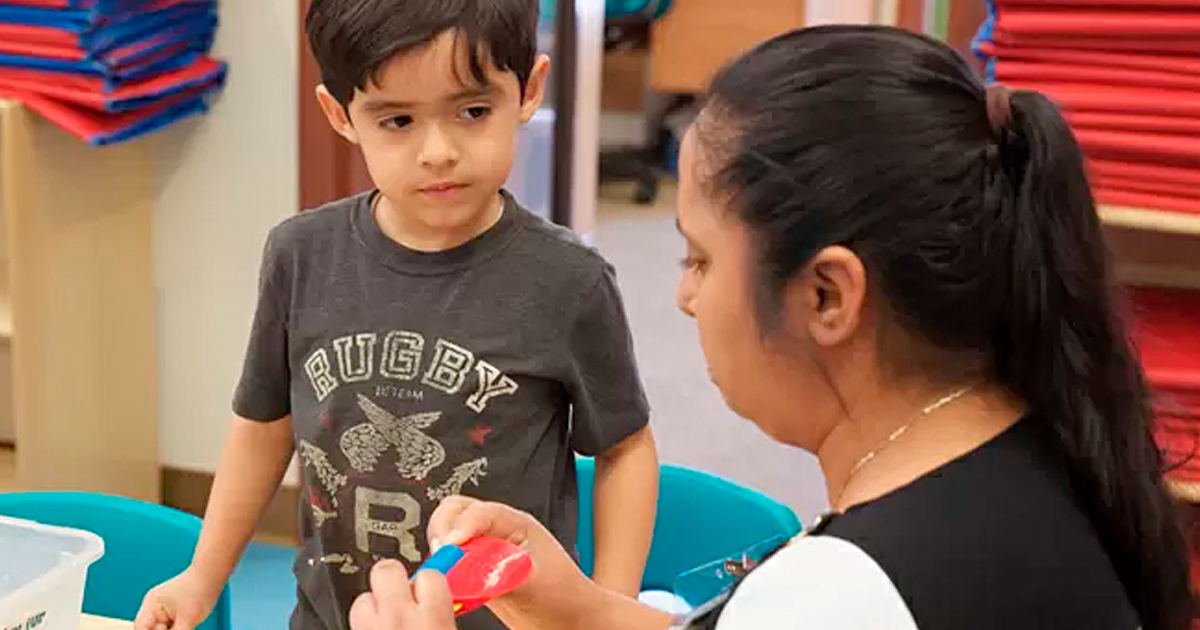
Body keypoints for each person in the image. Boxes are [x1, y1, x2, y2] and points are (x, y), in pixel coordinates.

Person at [344, 24, 1195, 630]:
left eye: (701, 260)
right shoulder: (1030, 444)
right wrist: (575, 613)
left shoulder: (846, 594)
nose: (683, 297)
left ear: (828, 295)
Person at [133, 1, 660, 629]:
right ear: (341, 115)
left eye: (472, 111)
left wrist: (606, 613)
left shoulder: (570, 281)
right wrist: (201, 576)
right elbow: (263, 426)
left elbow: (625, 450)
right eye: (399, 120)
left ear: (529, 90)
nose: (439, 151)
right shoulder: (299, 255)